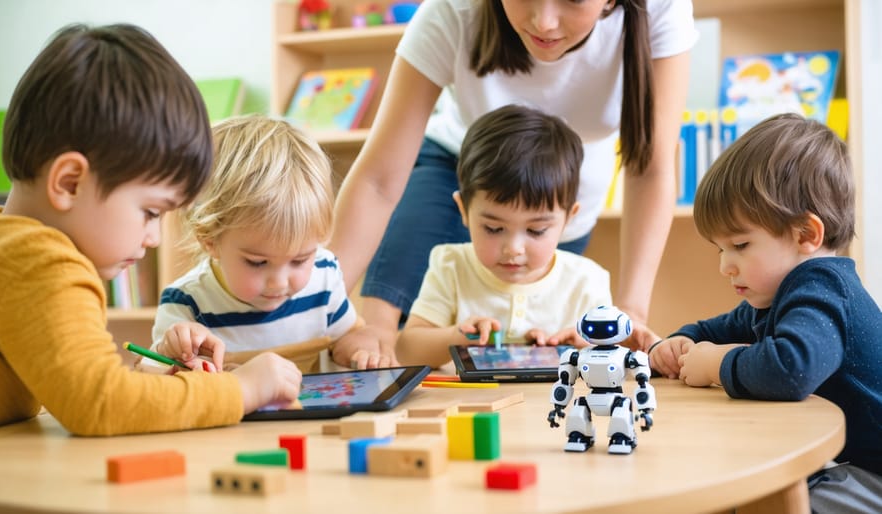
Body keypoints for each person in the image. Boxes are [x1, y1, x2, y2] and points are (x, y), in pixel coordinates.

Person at [0, 24, 302, 436]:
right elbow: (101, 404)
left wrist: (159, 377)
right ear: (68, 183)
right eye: (151, 212)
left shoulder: (3, 244)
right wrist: (240, 390)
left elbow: (83, 389)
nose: (154, 238)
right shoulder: (40, 265)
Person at [329, 0, 696, 357]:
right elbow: (378, 180)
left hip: (554, 191)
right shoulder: (452, 11)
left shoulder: (661, 9)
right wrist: (324, 308)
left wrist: (632, 311)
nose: (544, 22)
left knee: (539, 344)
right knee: (398, 332)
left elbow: (650, 168)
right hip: (455, 165)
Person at [648, 113, 882, 512]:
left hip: (874, 473)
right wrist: (676, 344)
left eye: (740, 245)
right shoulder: (777, 295)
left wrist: (717, 363)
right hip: (852, 461)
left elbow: (791, 370)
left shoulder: (822, 288)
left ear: (806, 235)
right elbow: (715, 328)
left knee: (779, 501)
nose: (725, 265)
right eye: (720, 249)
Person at [151, 114, 391, 372]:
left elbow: (346, 338)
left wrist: (361, 347)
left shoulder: (324, 277)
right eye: (258, 262)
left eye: (299, 260)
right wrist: (172, 351)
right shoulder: (186, 303)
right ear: (209, 239)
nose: (279, 282)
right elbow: (152, 376)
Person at [397, 105, 611, 368]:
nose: (514, 249)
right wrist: (457, 337)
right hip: (467, 407)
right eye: (494, 228)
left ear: (569, 218)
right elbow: (407, 351)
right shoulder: (451, 265)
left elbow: (614, 361)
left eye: (536, 231)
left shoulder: (587, 281)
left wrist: (583, 349)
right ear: (464, 210)